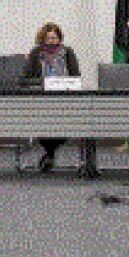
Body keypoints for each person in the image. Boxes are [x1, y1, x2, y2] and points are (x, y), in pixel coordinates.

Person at [22, 23, 93, 175]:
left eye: (55, 38)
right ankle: (50, 154)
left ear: (60, 38)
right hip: (42, 101)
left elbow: (76, 76)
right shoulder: (36, 53)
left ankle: (49, 154)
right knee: (42, 123)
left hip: (64, 100)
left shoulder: (67, 52)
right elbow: (25, 78)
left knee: (64, 123)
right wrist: (42, 83)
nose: (52, 41)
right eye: (49, 38)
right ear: (43, 39)